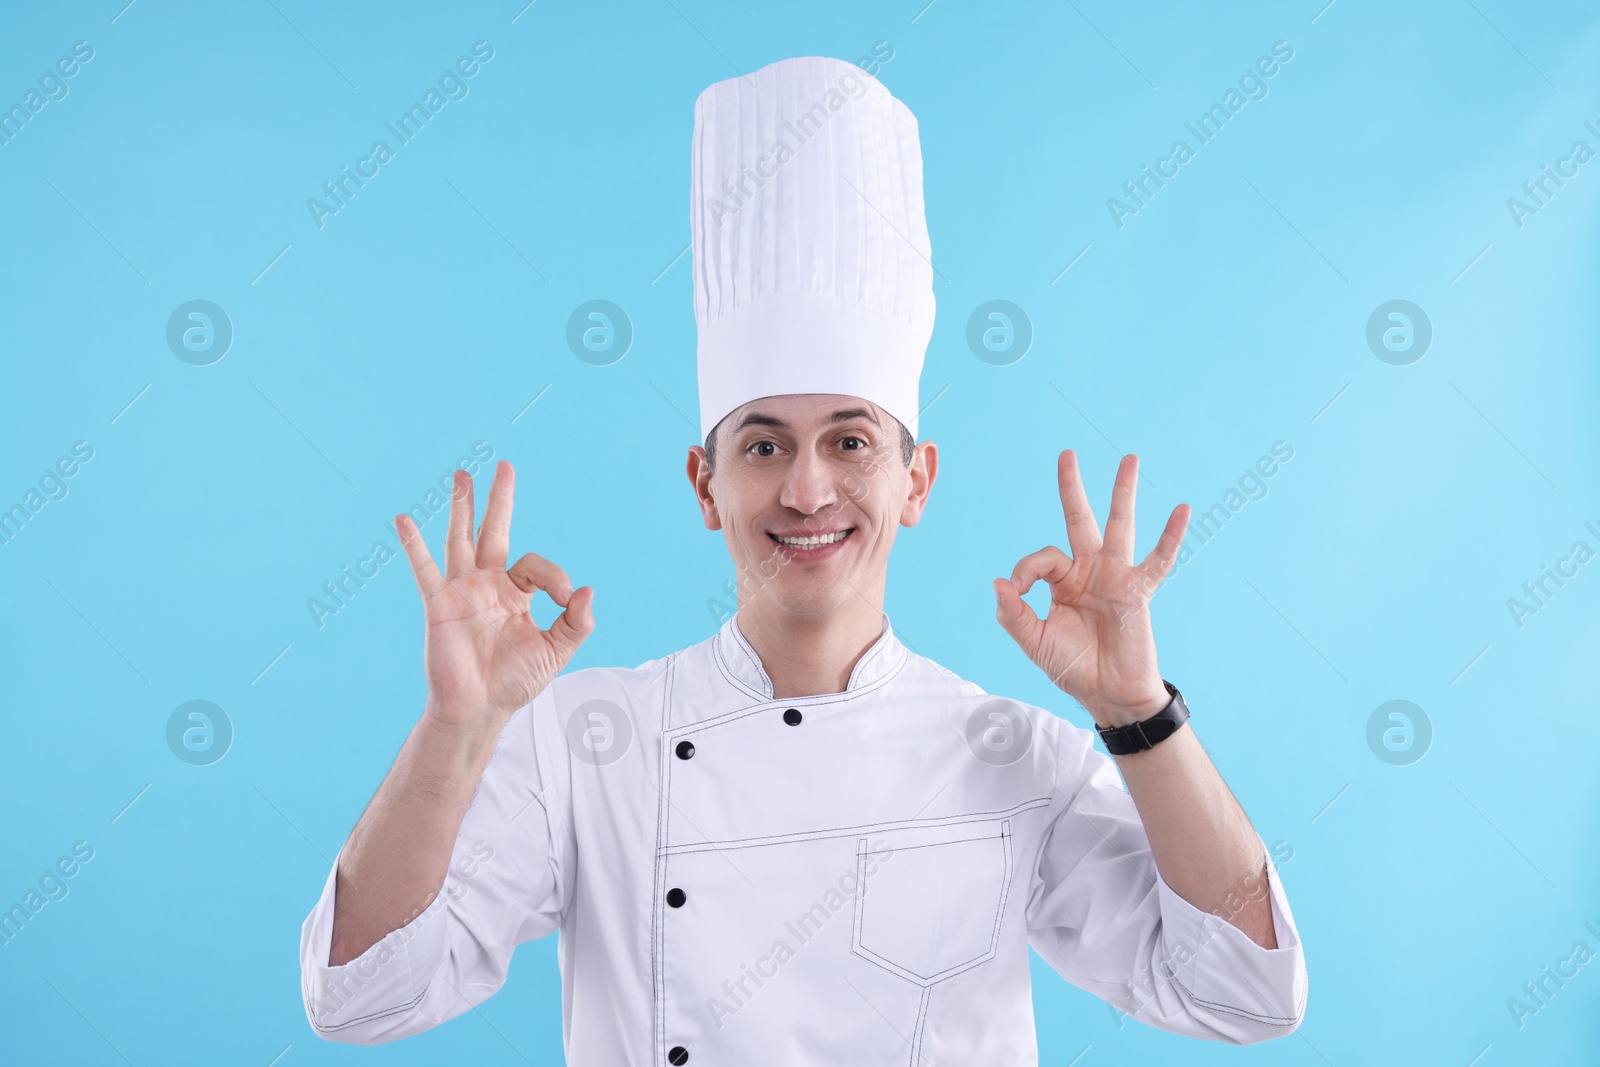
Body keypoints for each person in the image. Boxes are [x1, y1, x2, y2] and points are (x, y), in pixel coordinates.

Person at [299, 55, 1307, 1064]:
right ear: (705, 483)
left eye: (852, 440)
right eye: (764, 443)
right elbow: (361, 995)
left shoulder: (1012, 755)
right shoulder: (585, 743)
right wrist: (454, 728)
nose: (809, 490)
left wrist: (1139, 715)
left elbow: (1246, 992)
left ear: (917, 481)